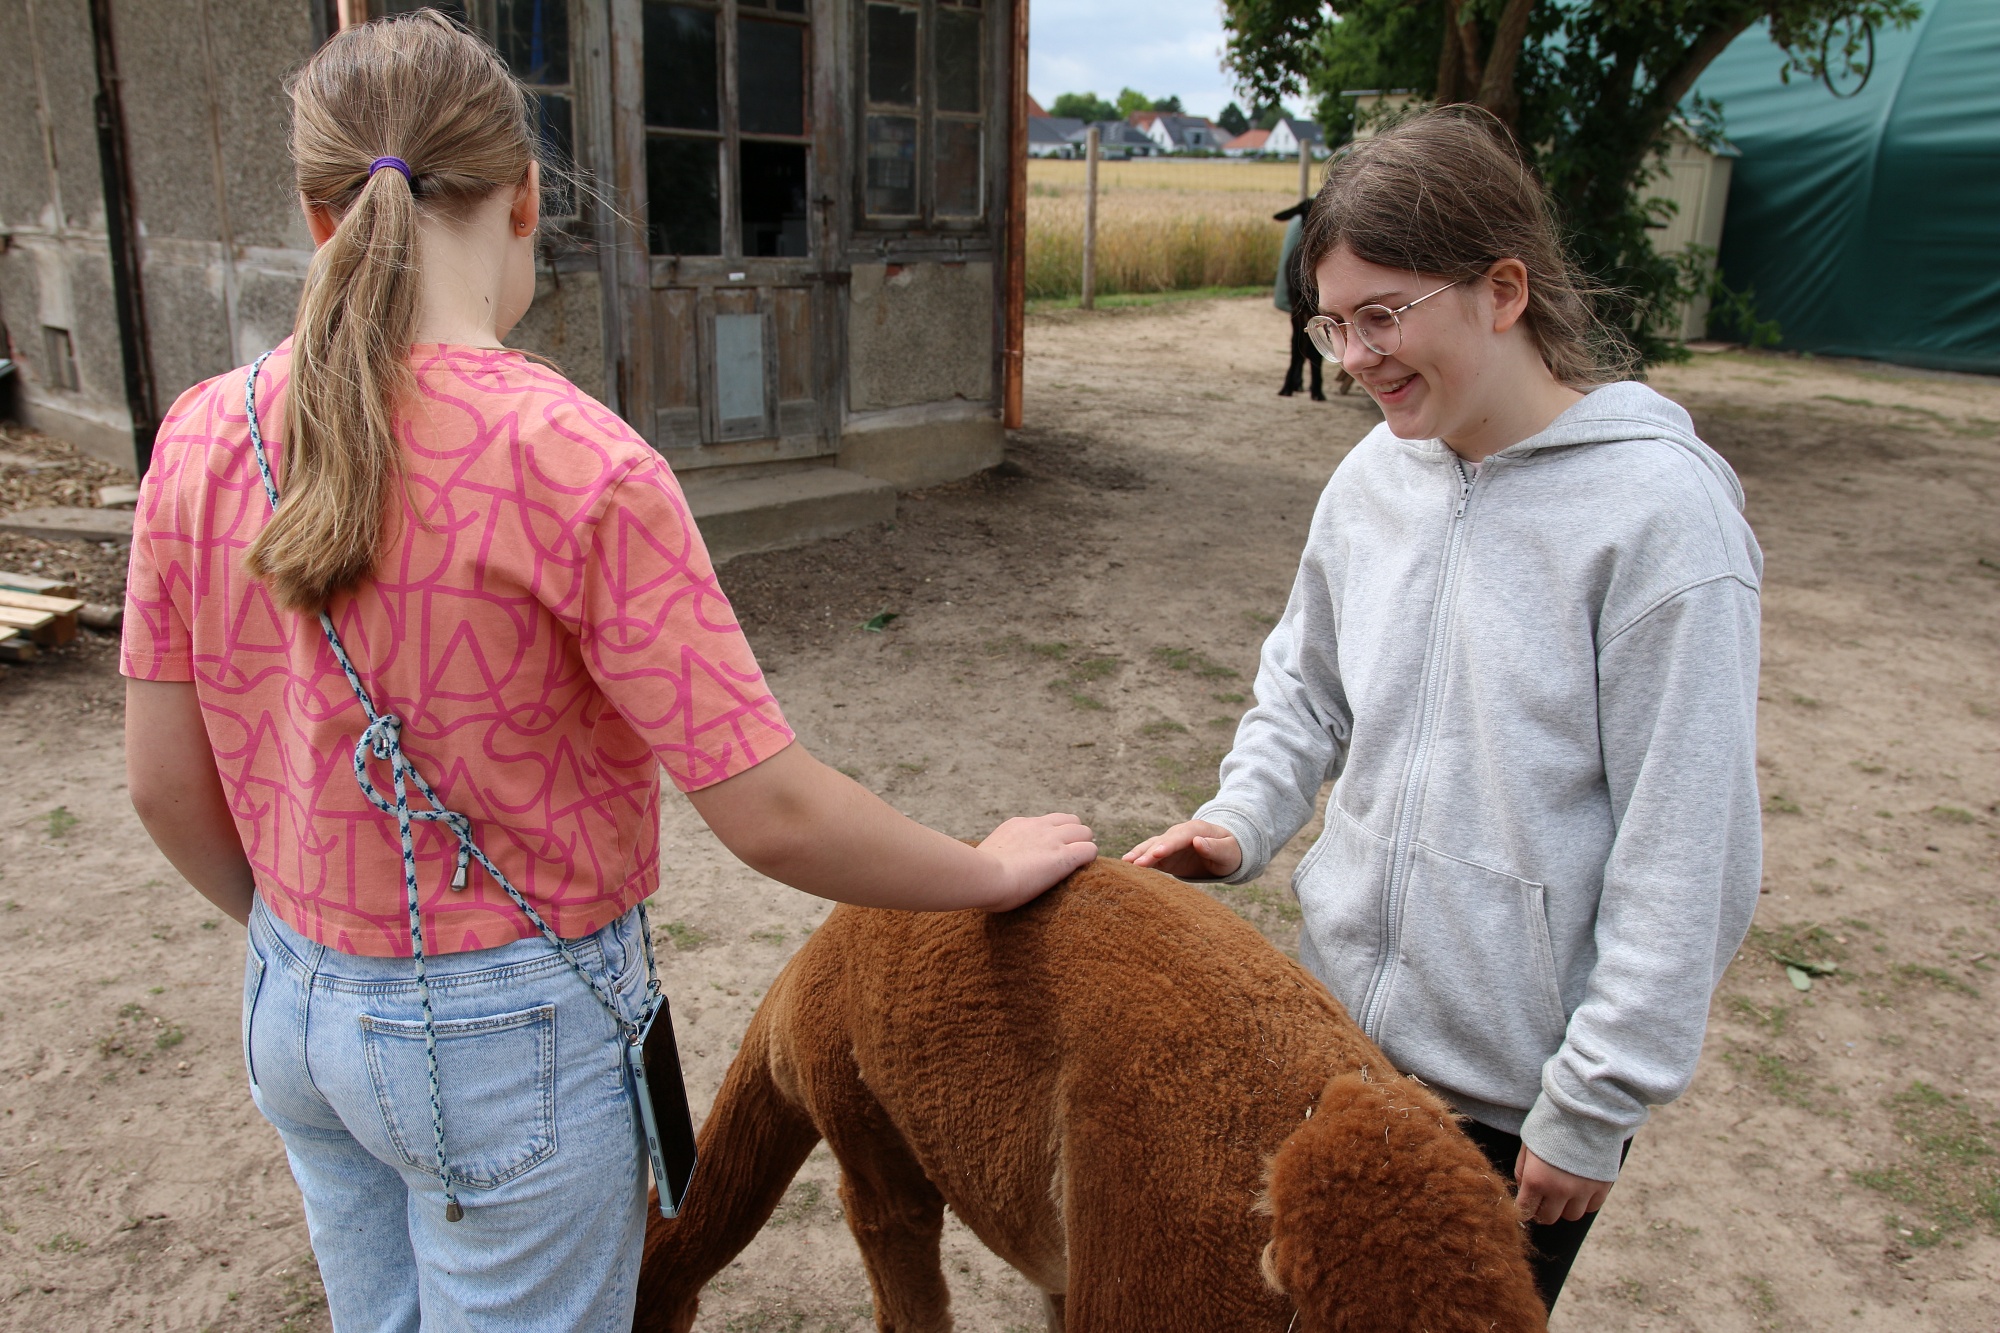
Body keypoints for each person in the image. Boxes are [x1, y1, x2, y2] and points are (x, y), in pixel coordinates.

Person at [120, 15, 1093, 1332]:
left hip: (293, 1008)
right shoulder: (576, 460)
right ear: (527, 199)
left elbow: (163, 788)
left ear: (315, 216)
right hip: (505, 1044)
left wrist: (314, 957)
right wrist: (984, 871)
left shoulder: (199, 433)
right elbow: (770, 811)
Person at [1127, 106, 1762, 1310]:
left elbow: (1687, 848)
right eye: (1331, 322)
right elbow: (1303, 692)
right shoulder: (1373, 477)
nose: (1354, 355)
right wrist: (1237, 820)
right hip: (1329, 1053)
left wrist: (1591, 1104)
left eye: (1382, 314)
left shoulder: (1658, 521)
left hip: (1512, 1110)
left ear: (1503, 289)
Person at [1272, 200, 1327, 401]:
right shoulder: (1306, 260)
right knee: (1309, 331)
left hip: (1303, 274)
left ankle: (1297, 382)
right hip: (1301, 278)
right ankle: (1311, 385)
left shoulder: (1312, 260)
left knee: (1304, 330)